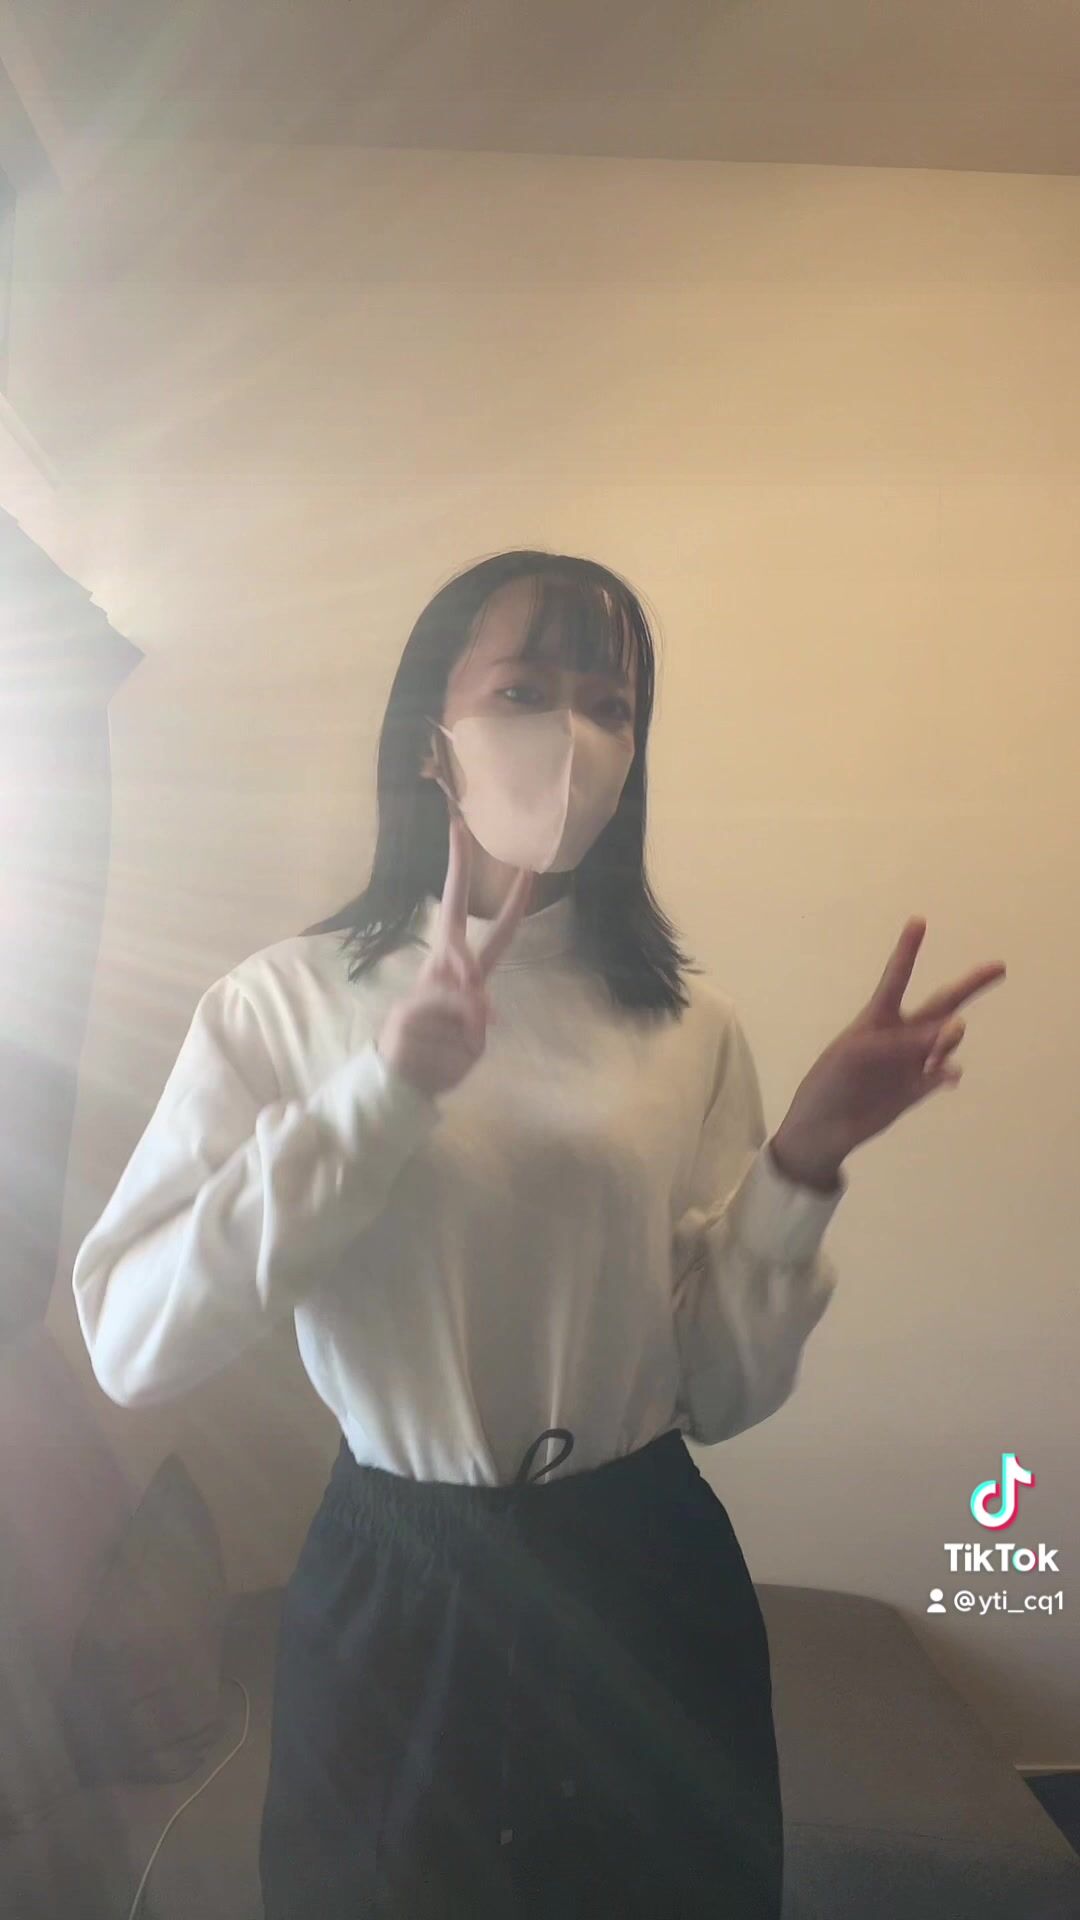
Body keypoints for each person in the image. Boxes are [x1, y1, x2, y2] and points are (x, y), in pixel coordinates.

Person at [72, 550, 850, 1919]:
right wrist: (381, 1097)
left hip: (643, 1570)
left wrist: (804, 1163)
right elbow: (136, 1345)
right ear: (430, 736)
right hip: (401, 1569)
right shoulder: (284, 1004)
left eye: (612, 704)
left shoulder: (685, 1022)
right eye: (525, 690)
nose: (575, 738)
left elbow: (722, 1391)